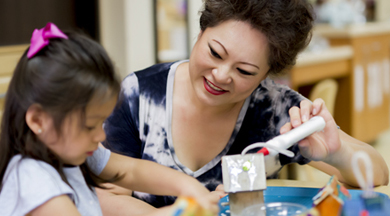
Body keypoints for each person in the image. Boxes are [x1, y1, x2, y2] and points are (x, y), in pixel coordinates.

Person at [99, 0, 389, 215]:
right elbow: (106, 197)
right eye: (215, 53)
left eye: (245, 71)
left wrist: (336, 153)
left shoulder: (275, 109)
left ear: (266, 74)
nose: (221, 75)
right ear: (201, 32)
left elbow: (377, 173)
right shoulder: (139, 95)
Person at [0, 23, 221, 216]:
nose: (101, 135)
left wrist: (190, 187)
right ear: (38, 121)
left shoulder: (71, 150)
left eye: (101, 123)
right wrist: (179, 212)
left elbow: (132, 170)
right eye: (89, 126)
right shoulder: (33, 181)